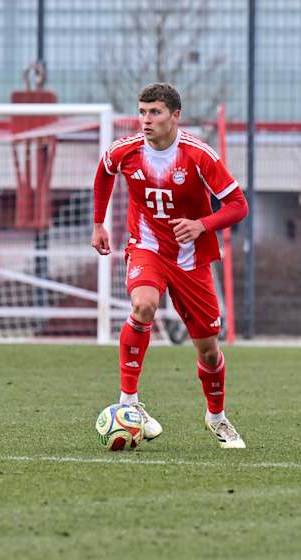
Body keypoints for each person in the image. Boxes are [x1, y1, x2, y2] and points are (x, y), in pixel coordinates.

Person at [91, 82, 248, 448]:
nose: (146, 120)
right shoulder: (126, 150)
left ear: (175, 116)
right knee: (143, 305)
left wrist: (201, 225)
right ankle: (128, 403)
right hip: (146, 248)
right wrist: (99, 223)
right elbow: (103, 172)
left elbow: (238, 205)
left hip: (192, 260)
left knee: (208, 350)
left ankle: (217, 418)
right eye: (142, 112)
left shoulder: (199, 155)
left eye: (155, 112)